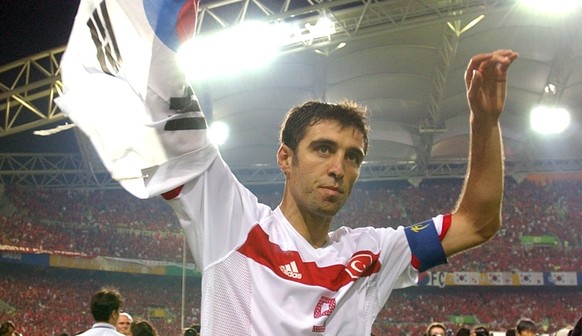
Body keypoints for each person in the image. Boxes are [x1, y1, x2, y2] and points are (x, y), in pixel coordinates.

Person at [55, 1, 518, 334]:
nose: (338, 167)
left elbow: (478, 222)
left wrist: (484, 121)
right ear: (285, 158)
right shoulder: (233, 222)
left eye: (352, 156)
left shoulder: (373, 254)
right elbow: (160, 95)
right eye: (322, 149)